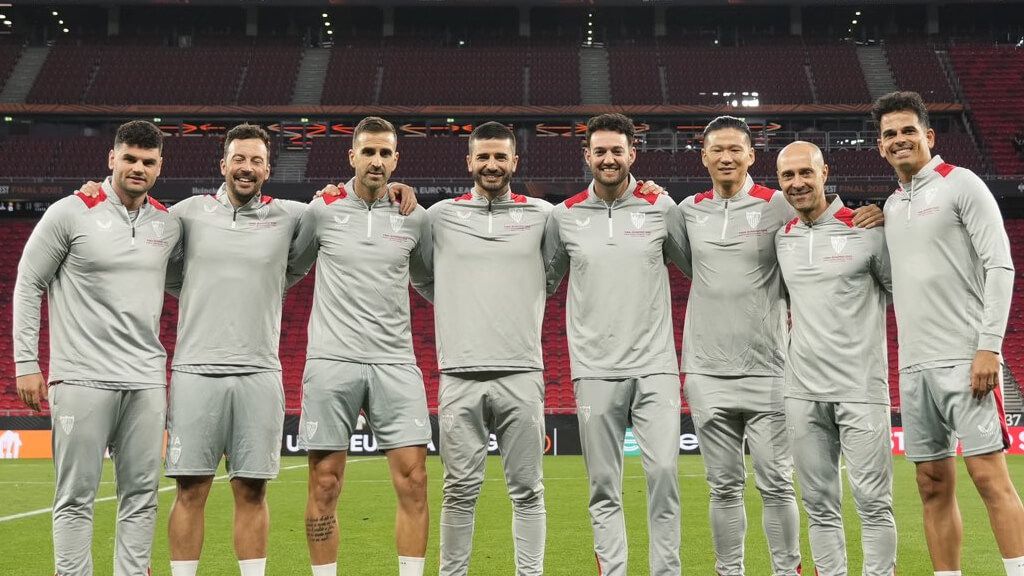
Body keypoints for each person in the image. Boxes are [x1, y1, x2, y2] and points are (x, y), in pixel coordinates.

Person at [678, 115, 882, 576]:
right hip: (706, 371)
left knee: (777, 484)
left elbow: (825, 226)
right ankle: (728, 570)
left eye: (737, 149)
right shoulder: (686, 210)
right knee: (722, 486)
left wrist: (873, 213)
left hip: (770, 368)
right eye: (717, 150)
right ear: (704, 156)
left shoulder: (778, 206)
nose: (727, 157)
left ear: (752, 156)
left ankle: (786, 569)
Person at [13, 120, 181, 576]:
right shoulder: (70, 212)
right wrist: (26, 362)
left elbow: (200, 280)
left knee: (142, 497)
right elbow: (29, 282)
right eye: (129, 158)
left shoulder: (167, 225)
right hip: (82, 378)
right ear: (112, 159)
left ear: (160, 167)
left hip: (146, 381)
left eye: (148, 162)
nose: (138, 168)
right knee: (75, 496)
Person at [873, 90, 1024, 576]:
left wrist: (988, 347)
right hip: (914, 367)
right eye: (890, 134)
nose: (899, 140)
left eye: (907, 131)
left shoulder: (963, 184)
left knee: (988, 478)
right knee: (931, 484)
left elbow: (1000, 265)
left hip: (966, 357)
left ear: (929, 136)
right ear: (879, 146)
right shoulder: (893, 206)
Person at [542, 113, 690, 576]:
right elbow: (541, 282)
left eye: (617, 150)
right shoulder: (563, 216)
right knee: (603, 484)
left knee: (664, 476)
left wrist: (668, 202)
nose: (609, 158)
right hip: (595, 368)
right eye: (599, 151)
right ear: (587, 156)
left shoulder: (660, 208)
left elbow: (695, 264)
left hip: (655, 365)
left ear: (632, 154)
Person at [290, 116, 432, 576]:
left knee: (414, 481)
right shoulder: (322, 211)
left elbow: (430, 281)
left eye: (384, 152)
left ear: (396, 159)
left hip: (395, 361)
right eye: (367, 151)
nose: (375, 160)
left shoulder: (414, 218)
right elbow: (290, 268)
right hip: (332, 361)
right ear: (351, 156)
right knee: (325, 482)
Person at [423, 121, 551, 576]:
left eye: (501, 157)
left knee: (529, 489)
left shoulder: (542, 215)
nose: (492, 165)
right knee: (458, 490)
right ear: (469, 162)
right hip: (459, 373)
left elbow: (551, 272)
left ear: (515, 162)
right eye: (484, 157)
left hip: (521, 372)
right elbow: (422, 273)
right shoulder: (438, 216)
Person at [774, 141, 896, 575]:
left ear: (825, 172)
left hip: (860, 388)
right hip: (802, 392)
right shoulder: (782, 239)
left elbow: (905, 290)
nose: (797, 183)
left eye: (805, 172)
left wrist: (891, 214)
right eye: (787, 176)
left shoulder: (867, 229)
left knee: (873, 504)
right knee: (818, 505)